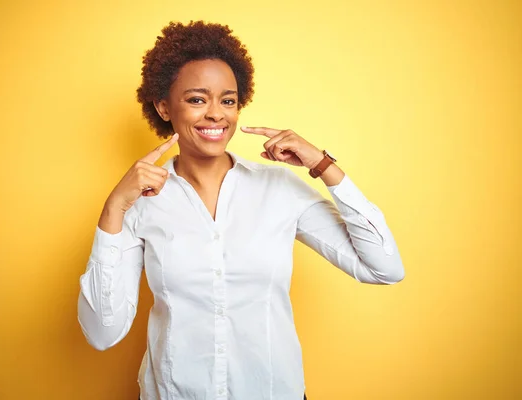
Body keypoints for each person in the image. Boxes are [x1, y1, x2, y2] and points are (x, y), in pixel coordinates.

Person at [77, 20, 405, 400]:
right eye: (197, 99)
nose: (216, 114)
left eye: (227, 100)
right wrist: (114, 207)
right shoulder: (138, 204)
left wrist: (324, 165)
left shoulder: (280, 190)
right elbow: (102, 333)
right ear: (164, 107)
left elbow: (384, 268)